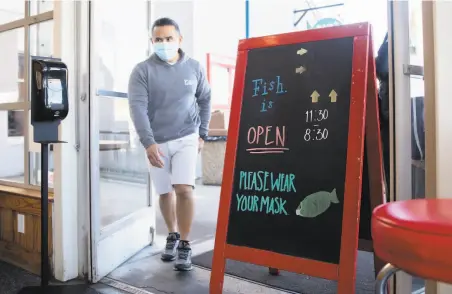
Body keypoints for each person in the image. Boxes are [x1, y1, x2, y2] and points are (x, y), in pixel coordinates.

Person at [128, 17, 212, 271]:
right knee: (164, 192)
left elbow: (205, 99)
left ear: (179, 40)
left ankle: (185, 244)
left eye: (169, 38)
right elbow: (137, 108)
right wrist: (148, 142)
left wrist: (202, 134)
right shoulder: (142, 71)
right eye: (159, 39)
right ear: (152, 41)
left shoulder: (194, 68)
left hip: (187, 135)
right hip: (156, 141)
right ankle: (173, 235)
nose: (164, 43)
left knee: (184, 189)